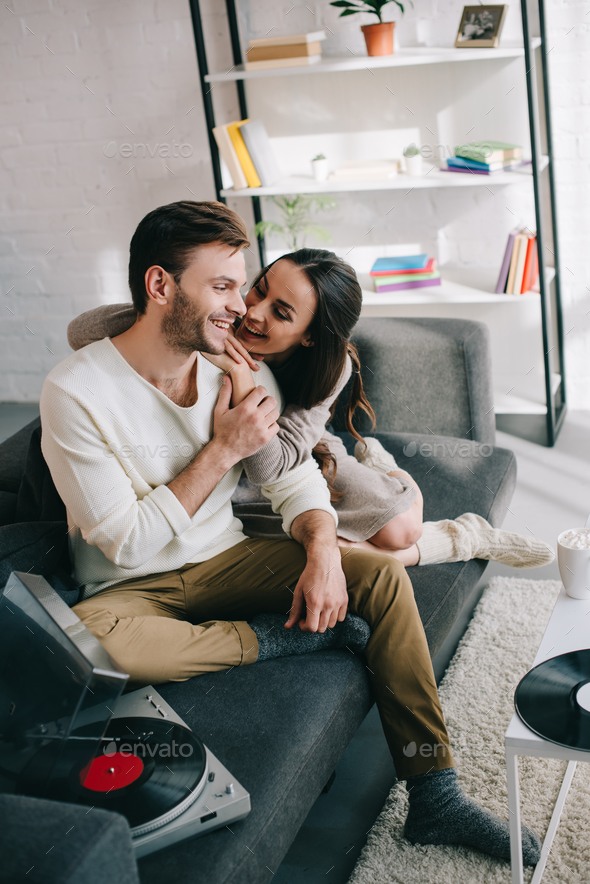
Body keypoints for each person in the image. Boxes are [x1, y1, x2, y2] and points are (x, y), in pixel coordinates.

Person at [44, 201, 541, 866]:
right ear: (160, 285)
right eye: (225, 287)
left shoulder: (237, 367)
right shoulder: (75, 391)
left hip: (226, 556)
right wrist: (222, 450)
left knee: (379, 573)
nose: (239, 309)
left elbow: (293, 478)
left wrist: (321, 551)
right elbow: (125, 543)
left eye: (243, 288)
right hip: (128, 587)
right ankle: (285, 639)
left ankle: (435, 793)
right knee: (86, 643)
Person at [69, 249, 554, 572]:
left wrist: (242, 377)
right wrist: (177, 316)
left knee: (401, 528)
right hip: (228, 476)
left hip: (297, 453)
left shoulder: (331, 365)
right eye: (260, 289)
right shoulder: (217, 318)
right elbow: (80, 331)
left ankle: (432, 509)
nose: (253, 311)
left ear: (309, 337)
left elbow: (271, 466)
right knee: (320, 551)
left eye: (281, 312)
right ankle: (449, 539)